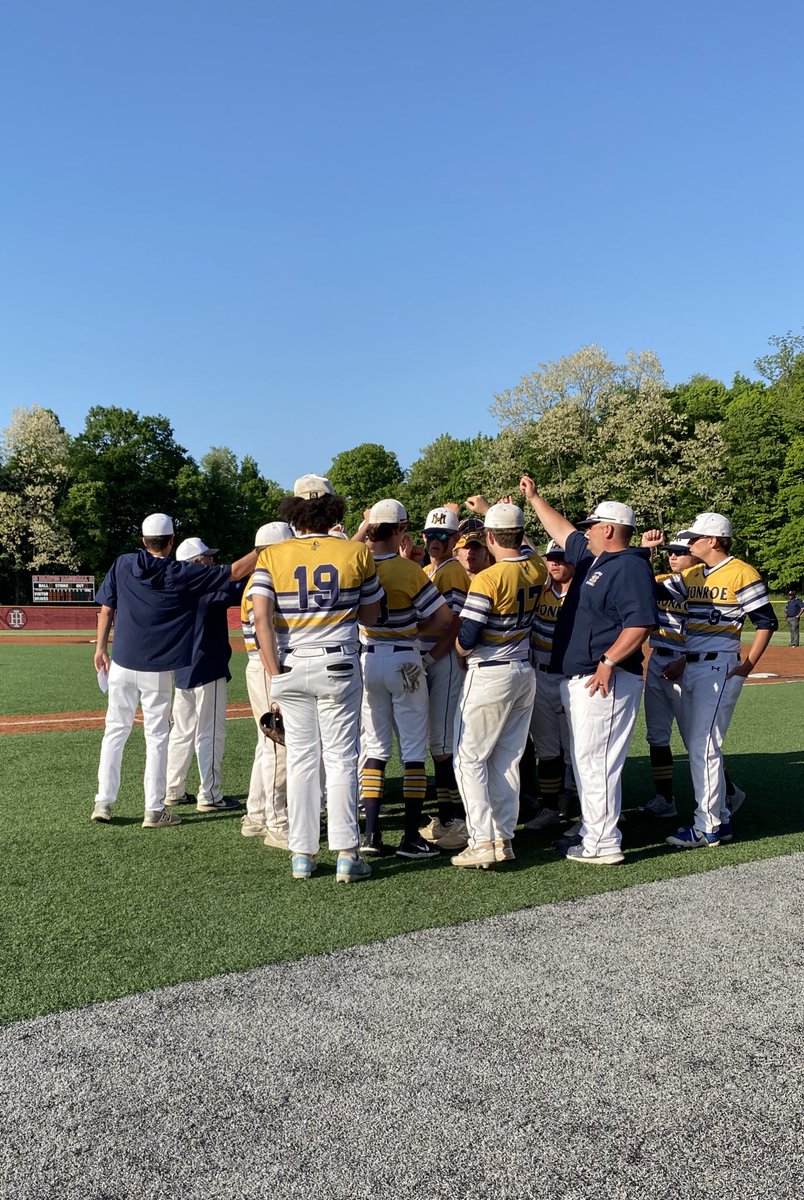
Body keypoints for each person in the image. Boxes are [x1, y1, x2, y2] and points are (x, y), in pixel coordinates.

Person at [250, 474, 383, 882]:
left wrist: (273, 676)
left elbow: (260, 620)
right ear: (332, 509)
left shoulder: (272, 556)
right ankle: (347, 853)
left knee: (303, 759)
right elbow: (373, 616)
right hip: (339, 662)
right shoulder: (355, 553)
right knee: (341, 759)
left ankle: (302, 855)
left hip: (288, 664)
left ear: (294, 510)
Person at [520, 478, 658, 866]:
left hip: (606, 679)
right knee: (587, 760)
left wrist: (609, 661)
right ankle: (593, 833)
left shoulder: (629, 565)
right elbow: (561, 530)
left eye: (593, 525)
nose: (586, 530)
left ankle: (603, 842)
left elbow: (640, 623)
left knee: (597, 762)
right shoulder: (595, 559)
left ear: (609, 530)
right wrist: (534, 497)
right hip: (584, 679)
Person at [91, 514, 257, 827]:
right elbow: (234, 572)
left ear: (143, 540)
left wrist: (101, 649)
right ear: (170, 542)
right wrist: (264, 550)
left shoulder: (123, 564)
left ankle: (103, 801)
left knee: (114, 732)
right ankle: (154, 810)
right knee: (156, 738)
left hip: (122, 663)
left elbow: (106, 609)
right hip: (157, 668)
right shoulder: (179, 572)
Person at [662, 513, 777, 849]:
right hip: (694, 665)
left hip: (720, 666)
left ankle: (707, 825)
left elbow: (765, 621)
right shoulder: (693, 573)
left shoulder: (741, 571)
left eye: (695, 538)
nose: (689, 544)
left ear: (713, 541)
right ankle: (720, 820)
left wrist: (748, 664)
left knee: (704, 746)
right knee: (700, 745)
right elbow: (657, 592)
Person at [450, 502, 547, 869]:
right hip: (524, 669)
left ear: (489, 537)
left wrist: (459, 650)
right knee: (507, 759)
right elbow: (531, 549)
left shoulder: (487, 579)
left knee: (469, 759)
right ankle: (503, 837)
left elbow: (470, 633)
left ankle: (482, 840)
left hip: (489, 671)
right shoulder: (536, 567)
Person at [356, 499, 451, 858]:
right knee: (412, 751)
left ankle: (370, 835)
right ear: (398, 531)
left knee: (375, 749)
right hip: (404, 658)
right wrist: (411, 630)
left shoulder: (356, 564)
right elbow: (442, 619)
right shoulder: (409, 570)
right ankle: (411, 837)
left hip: (368, 659)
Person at [164, 537, 244, 815]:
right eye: (207, 558)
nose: (213, 562)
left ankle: (173, 789)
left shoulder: (175, 586)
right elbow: (238, 588)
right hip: (207, 665)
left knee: (182, 731)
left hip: (183, 667)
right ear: (196, 563)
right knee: (209, 732)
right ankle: (210, 794)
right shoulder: (205, 588)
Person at [416, 507, 472, 852]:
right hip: (432, 658)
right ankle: (447, 815)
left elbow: (455, 624)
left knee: (443, 744)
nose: (435, 541)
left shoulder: (452, 572)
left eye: (442, 536)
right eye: (430, 535)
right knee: (437, 743)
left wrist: (430, 656)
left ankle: (457, 818)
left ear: (454, 540)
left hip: (445, 660)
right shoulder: (429, 569)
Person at [240, 522, 294, 846]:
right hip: (265, 665)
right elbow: (265, 631)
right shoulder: (264, 581)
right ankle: (277, 823)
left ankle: (257, 814)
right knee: (278, 744)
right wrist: (276, 674)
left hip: (261, 665)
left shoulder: (258, 579)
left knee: (267, 746)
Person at [522, 540, 576, 832]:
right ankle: (551, 807)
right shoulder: (540, 591)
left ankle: (581, 807)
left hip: (571, 676)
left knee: (575, 748)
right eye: (551, 558)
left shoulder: (582, 593)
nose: (554, 563)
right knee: (547, 749)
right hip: (540, 675)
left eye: (561, 558)